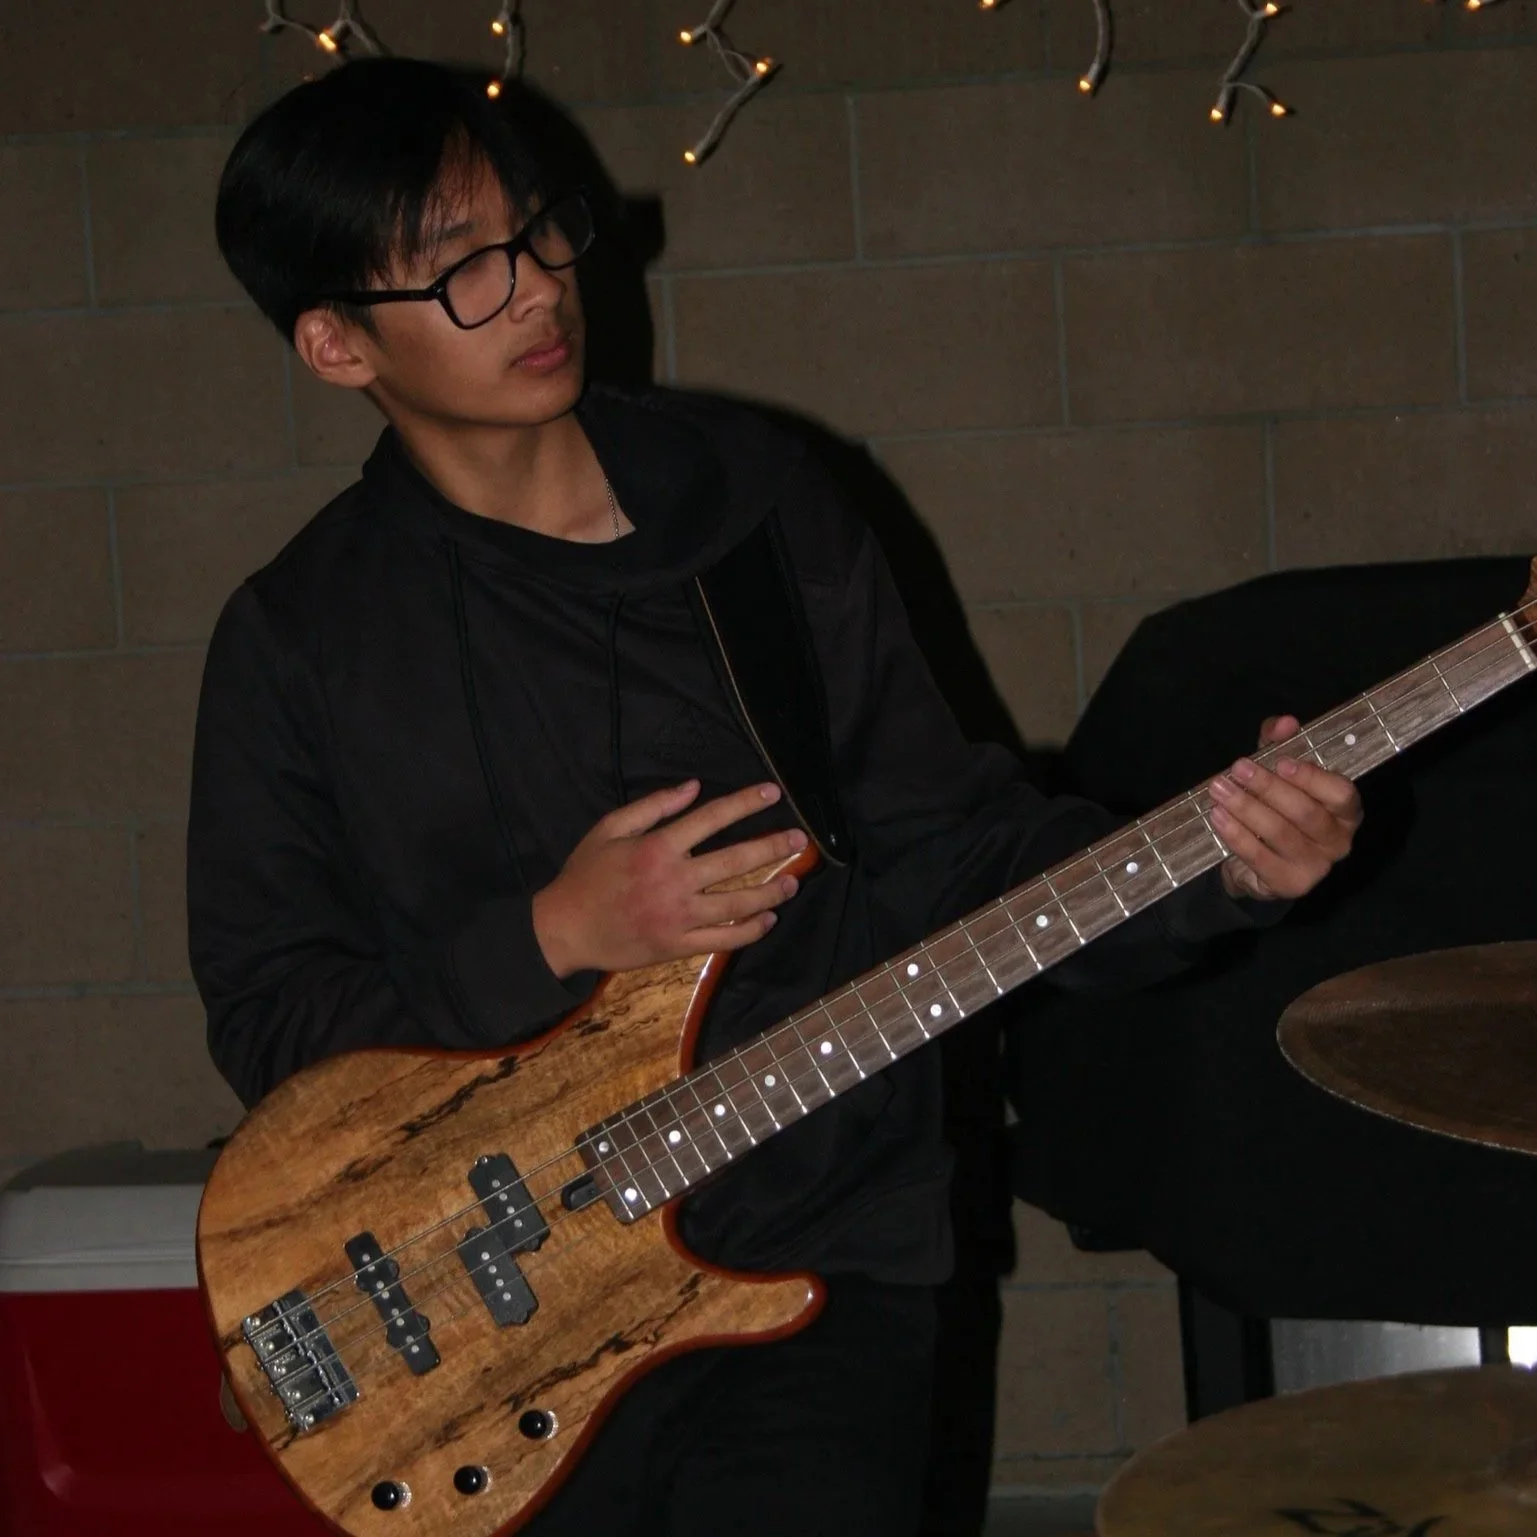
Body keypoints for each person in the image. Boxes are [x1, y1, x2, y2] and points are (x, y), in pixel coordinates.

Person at [191, 57, 1362, 1537]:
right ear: (335, 342)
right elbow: (273, 1023)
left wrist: (1223, 870)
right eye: (459, 268)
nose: (537, 285)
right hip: (490, 1327)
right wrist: (554, 935)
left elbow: (956, 849)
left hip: (821, 1251)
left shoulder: (751, 504)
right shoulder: (300, 636)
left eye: (537, 230)